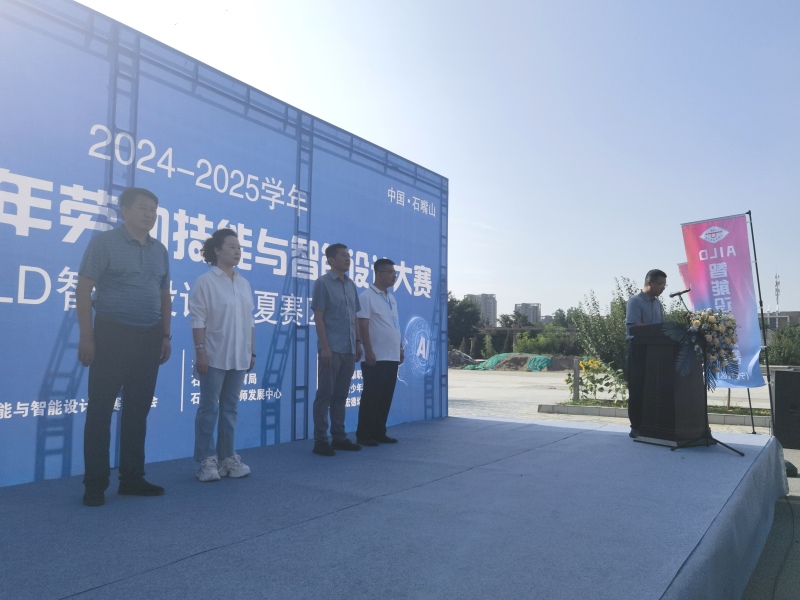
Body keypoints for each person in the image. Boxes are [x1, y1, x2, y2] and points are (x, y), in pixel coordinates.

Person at [76, 187, 171, 507]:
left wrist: (166, 335)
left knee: (138, 410)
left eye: (154, 209)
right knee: (100, 410)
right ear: (125, 211)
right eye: (143, 208)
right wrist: (87, 336)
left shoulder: (160, 250)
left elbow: (164, 295)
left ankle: (132, 477)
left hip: (149, 337)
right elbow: (83, 289)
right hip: (111, 334)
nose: (150, 214)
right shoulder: (104, 243)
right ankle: (95, 483)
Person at [189, 229, 255, 482]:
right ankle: (207, 460)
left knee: (230, 409)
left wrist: (251, 351)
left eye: (239, 248)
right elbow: (198, 319)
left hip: (239, 355)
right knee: (209, 408)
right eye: (232, 247)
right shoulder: (205, 281)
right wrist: (200, 351)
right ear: (217, 250)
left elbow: (250, 321)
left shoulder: (244, 283)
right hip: (214, 355)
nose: (237, 251)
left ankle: (228, 458)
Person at [310, 243, 363, 456]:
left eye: (349, 255)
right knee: (325, 395)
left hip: (348, 348)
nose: (348, 259)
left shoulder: (351, 285)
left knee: (341, 395)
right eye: (343, 255)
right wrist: (325, 347)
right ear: (331, 260)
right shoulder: (322, 283)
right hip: (331, 349)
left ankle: (339, 437)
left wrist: (358, 342)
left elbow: (355, 317)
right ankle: (320, 440)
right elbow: (319, 317)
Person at [355, 259, 404, 446]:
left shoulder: (392, 298)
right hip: (375, 355)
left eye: (394, 272)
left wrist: (400, 348)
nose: (394, 275)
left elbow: (395, 325)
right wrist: (368, 350)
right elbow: (362, 325)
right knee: (372, 396)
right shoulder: (366, 296)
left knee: (385, 396)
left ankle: (379, 432)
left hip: (392, 355)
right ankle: (364, 434)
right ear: (378, 273)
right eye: (390, 272)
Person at [625, 268, 667, 438]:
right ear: (649, 283)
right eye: (660, 284)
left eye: (664, 285)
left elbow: (661, 328)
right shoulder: (635, 301)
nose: (663, 288)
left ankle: (652, 424)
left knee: (654, 388)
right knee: (638, 388)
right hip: (639, 349)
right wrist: (657, 330)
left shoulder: (658, 303)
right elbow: (634, 325)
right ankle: (636, 426)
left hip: (657, 351)